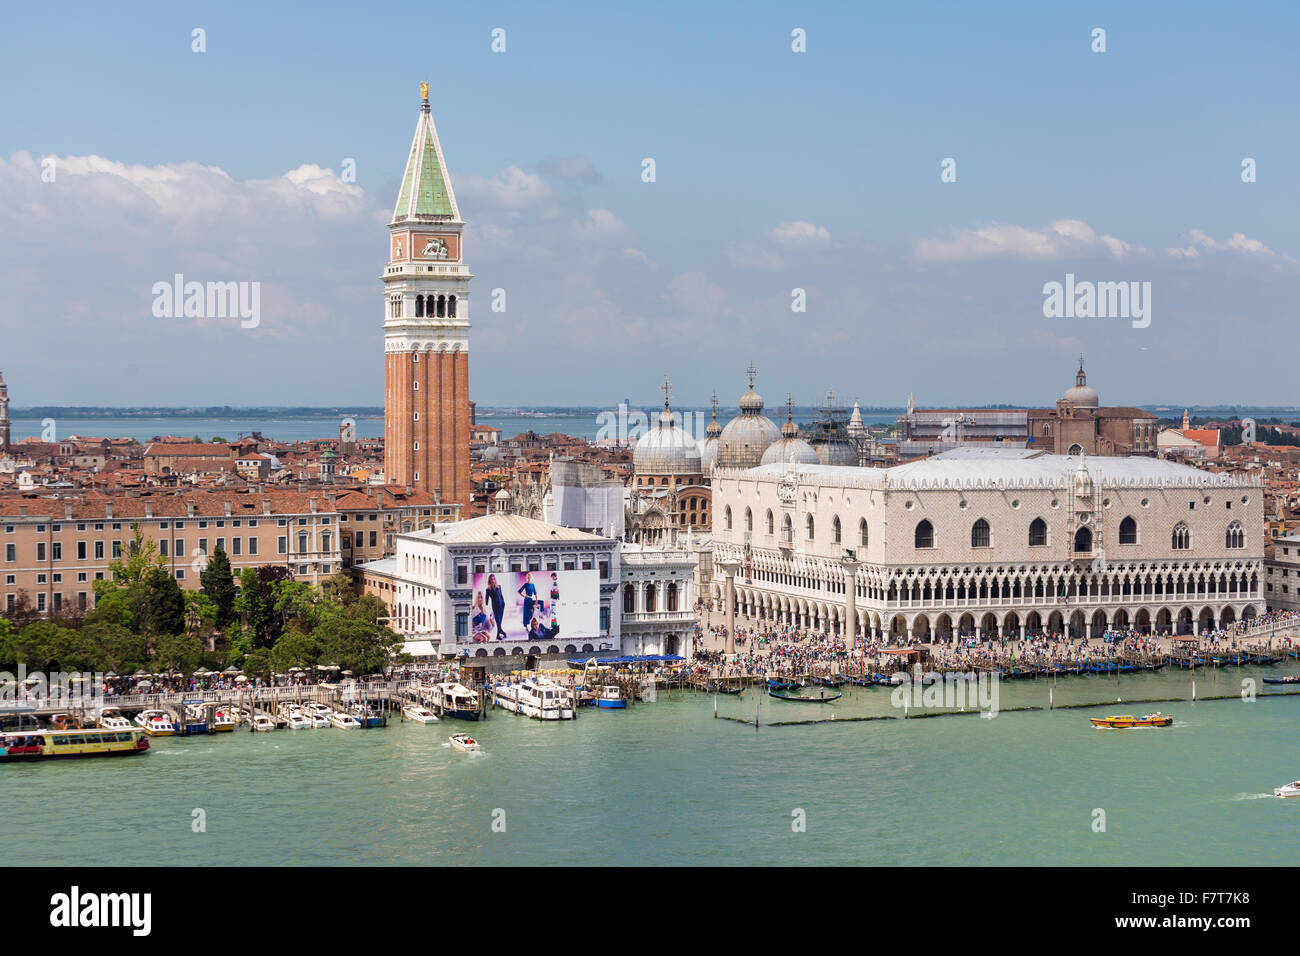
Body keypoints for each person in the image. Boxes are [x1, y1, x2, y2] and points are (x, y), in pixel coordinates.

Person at [485, 574, 507, 640]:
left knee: (500, 621)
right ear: (489, 580)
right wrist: (486, 607)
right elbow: (486, 599)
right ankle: (498, 634)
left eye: (494, 579)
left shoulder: (499, 586)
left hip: (501, 605)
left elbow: (501, 595)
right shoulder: (488, 589)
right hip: (495, 607)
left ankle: (500, 631)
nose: (493, 580)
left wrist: (504, 603)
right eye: (491, 579)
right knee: (497, 621)